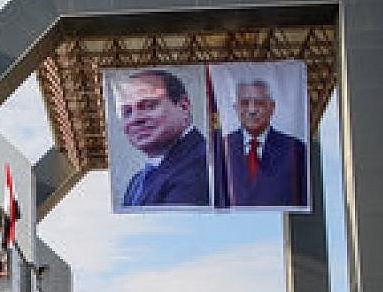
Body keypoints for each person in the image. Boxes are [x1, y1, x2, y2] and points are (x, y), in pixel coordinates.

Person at [116, 69, 211, 207]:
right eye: (127, 112)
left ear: (184, 107)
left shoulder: (202, 164)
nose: (135, 119)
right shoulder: (136, 181)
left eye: (149, 106)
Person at [222, 79, 307, 207]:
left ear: (272, 107)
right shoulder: (222, 149)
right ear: (236, 108)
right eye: (245, 103)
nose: (252, 110)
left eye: (259, 103)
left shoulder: (294, 149)